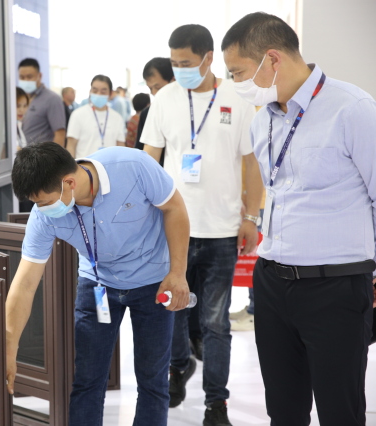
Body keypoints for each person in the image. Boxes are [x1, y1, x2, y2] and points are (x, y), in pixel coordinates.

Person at [222, 12, 376, 426]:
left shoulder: (353, 110)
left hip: (335, 286)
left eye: (238, 72)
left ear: (272, 59)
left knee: (340, 411)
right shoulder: (262, 120)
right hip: (272, 283)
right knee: (284, 411)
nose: (236, 83)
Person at [6, 142, 191, 426]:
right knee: (88, 379)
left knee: (153, 380)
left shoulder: (133, 166)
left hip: (153, 282)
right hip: (97, 285)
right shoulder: (42, 217)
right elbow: (25, 283)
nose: (41, 209)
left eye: (44, 202)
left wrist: (178, 272)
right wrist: (10, 345)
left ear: (69, 183)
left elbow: (174, 207)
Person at [141, 24, 263, 425]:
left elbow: (251, 163)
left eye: (186, 63)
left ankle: (216, 403)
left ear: (208, 58)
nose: (180, 70)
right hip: (173, 228)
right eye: (174, 63)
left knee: (215, 323)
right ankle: (180, 366)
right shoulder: (165, 99)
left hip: (223, 231)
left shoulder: (237, 98)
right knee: (172, 311)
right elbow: (149, 159)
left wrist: (250, 216)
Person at [66, 75, 126, 158]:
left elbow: (121, 147)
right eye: (95, 91)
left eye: (103, 92)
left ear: (110, 93)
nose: (98, 94)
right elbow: (71, 146)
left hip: (109, 165)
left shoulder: (117, 118)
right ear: (90, 91)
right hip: (84, 165)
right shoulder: (77, 115)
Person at [18, 58, 66, 146]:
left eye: (29, 77)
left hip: (41, 154)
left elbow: (60, 134)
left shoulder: (52, 99)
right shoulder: (18, 99)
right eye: (22, 77)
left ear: (39, 76)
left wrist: (54, 155)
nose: (25, 80)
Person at [134, 58, 175, 159]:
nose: (154, 93)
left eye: (157, 87)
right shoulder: (147, 113)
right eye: (150, 88)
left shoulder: (188, 108)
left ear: (173, 80)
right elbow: (140, 151)